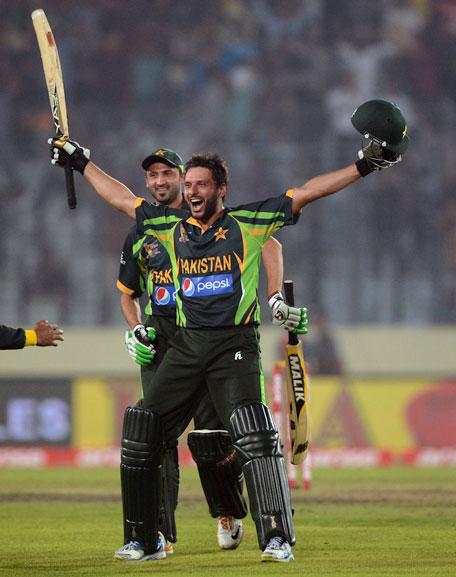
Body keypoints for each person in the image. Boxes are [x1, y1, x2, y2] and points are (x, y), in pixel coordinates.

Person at [49, 98, 408, 563]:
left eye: (201, 185)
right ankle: (147, 540)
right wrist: (80, 161)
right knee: (142, 429)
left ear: (220, 188)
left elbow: (307, 192)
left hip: (234, 345)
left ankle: (276, 537)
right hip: (185, 345)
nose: (193, 192)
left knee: (254, 433)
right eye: (190, 185)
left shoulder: (249, 222)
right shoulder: (165, 225)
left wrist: (364, 164)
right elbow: (119, 197)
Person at [117, 148, 308, 557]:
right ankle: (152, 538)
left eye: (172, 175)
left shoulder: (232, 223)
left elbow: (269, 241)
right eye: (154, 175)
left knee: (218, 439)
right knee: (146, 431)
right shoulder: (151, 227)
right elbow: (127, 291)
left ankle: (240, 518)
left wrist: (274, 297)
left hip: (226, 340)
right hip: (173, 342)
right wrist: (136, 328)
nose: (164, 182)